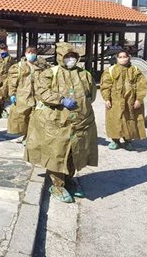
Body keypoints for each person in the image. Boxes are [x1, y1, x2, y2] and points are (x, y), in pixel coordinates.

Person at [26, 43, 98, 203]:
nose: (71, 59)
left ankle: (69, 179)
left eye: (73, 56)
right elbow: (42, 91)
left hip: (80, 122)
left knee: (75, 152)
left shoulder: (84, 74)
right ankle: (57, 185)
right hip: (56, 122)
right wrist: (60, 100)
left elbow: (91, 95)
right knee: (57, 153)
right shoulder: (50, 73)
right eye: (67, 56)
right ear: (60, 57)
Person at [100, 50, 147, 150]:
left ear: (128, 57)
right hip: (115, 102)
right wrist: (107, 99)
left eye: (124, 57)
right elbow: (105, 86)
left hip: (130, 101)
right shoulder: (111, 70)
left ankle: (128, 141)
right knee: (115, 121)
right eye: (120, 57)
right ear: (116, 58)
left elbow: (141, 85)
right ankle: (115, 141)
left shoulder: (134, 70)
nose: (123, 59)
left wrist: (139, 99)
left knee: (130, 120)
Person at [8, 46, 48, 144]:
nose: (31, 54)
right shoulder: (19, 66)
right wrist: (12, 94)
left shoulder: (41, 67)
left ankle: (29, 137)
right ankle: (25, 135)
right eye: (29, 52)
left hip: (37, 96)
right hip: (23, 96)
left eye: (33, 52)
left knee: (35, 118)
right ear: (25, 53)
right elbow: (12, 81)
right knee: (22, 118)